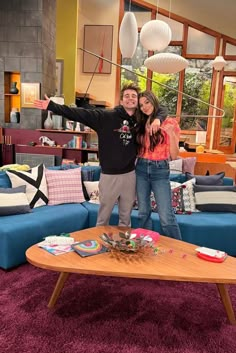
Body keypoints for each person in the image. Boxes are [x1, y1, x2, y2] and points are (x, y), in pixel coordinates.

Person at [33, 83, 168, 227]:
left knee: (125, 219)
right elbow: (78, 113)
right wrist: (52, 106)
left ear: (137, 102)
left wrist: (158, 119)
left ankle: (123, 248)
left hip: (130, 175)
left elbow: (162, 109)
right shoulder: (105, 116)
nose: (130, 99)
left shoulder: (140, 120)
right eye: (126, 96)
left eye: (134, 96)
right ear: (121, 101)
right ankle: (100, 247)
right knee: (103, 219)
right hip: (109, 176)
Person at [135, 90, 182, 240]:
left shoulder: (170, 122)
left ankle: (177, 249)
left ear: (154, 101)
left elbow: (174, 155)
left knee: (166, 217)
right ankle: (144, 246)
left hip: (160, 170)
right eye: (141, 105)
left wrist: (171, 135)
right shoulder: (141, 122)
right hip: (141, 168)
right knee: (142, 213)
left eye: (147, 102)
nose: (144, 107)